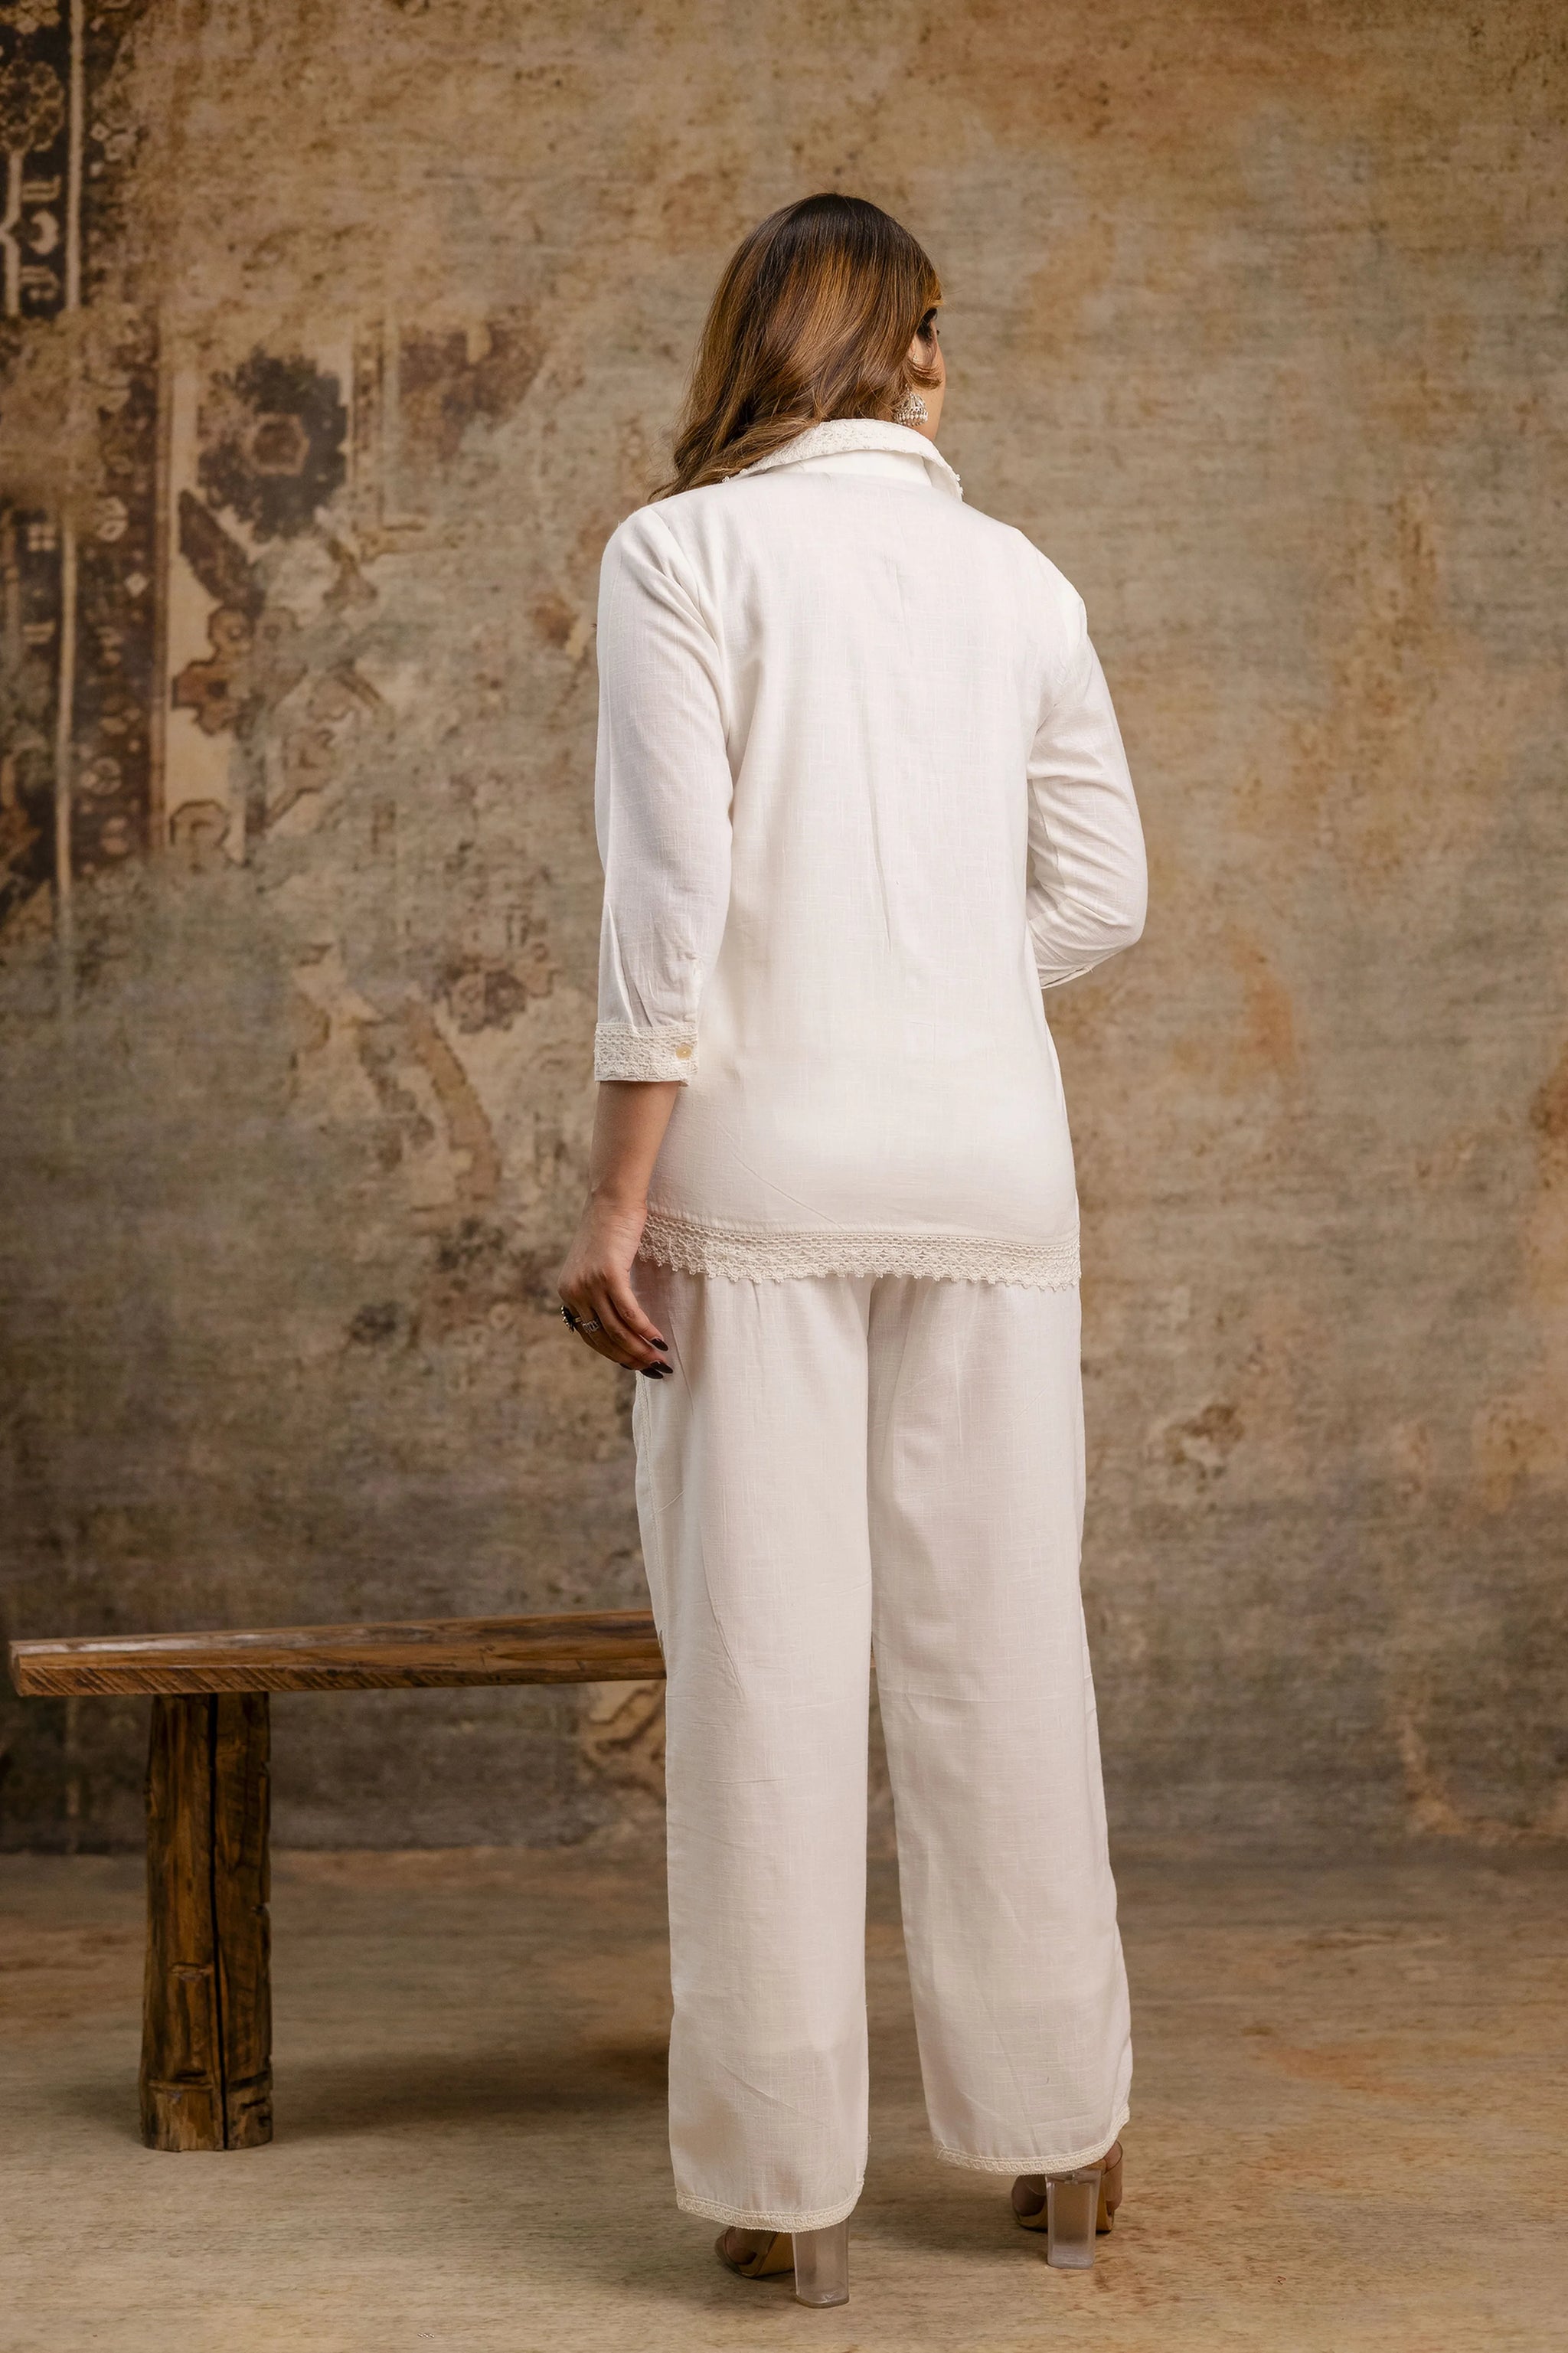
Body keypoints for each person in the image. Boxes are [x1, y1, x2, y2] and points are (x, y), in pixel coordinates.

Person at [557, 191, 1145, 2309]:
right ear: (895, 354)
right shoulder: (1023, 581)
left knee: (767, 1670)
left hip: (767, 1178)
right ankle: (1062, 2146)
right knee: (1003, 1654)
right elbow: (1106, 891)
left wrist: (615, 1199)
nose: (943, 364)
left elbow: (668, 905)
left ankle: (785, 2182)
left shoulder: (679, 553)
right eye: (929, 332)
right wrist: (940, 984)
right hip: (993, 1174)